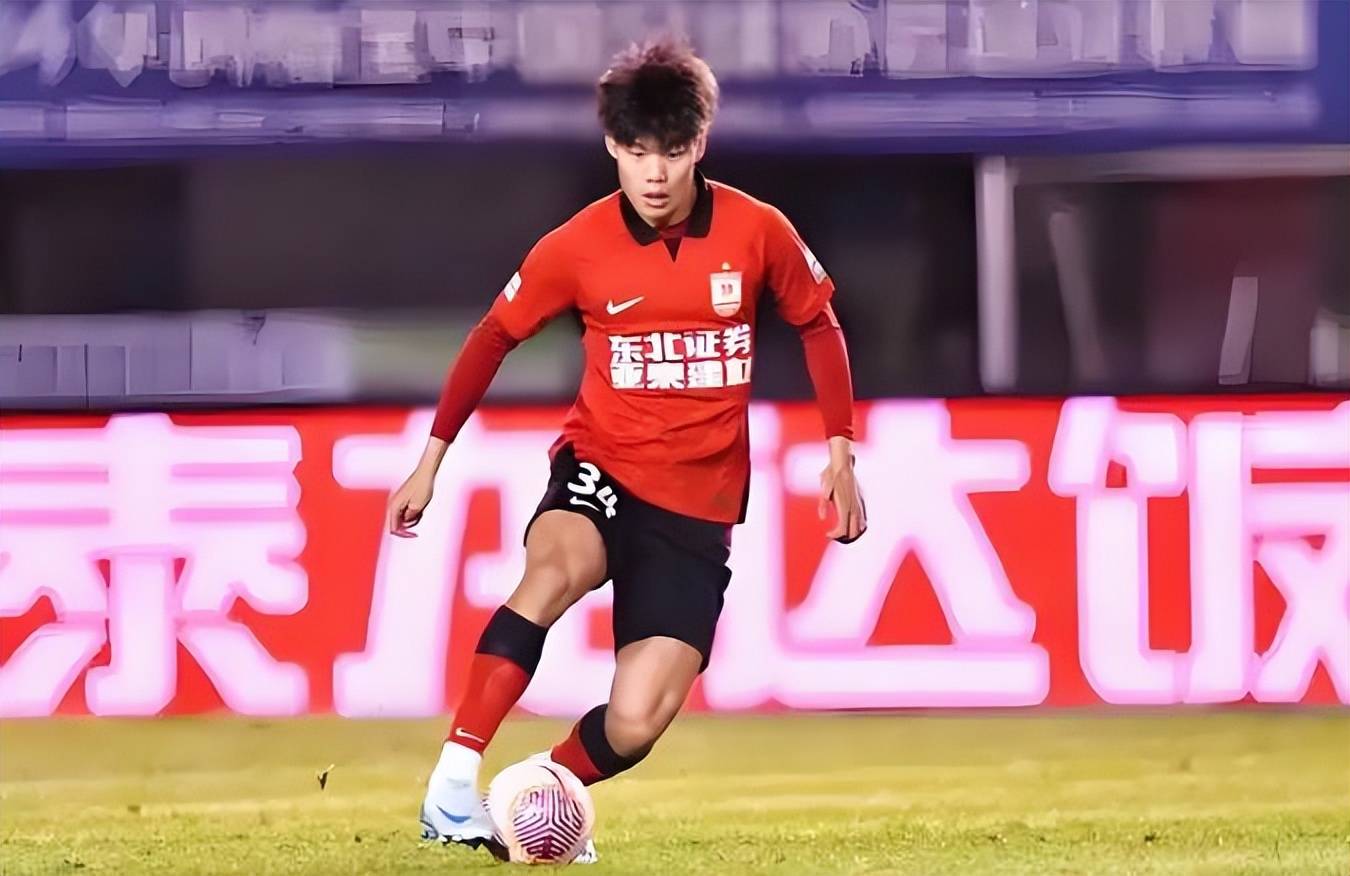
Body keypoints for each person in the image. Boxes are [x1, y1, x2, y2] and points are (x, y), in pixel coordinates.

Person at [387, 36, 866, 861]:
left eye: (671, 152)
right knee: (554, 570)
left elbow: (817, 324)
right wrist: (430, 460)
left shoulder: (758, 231)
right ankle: (453, 782)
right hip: (601, 469)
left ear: (699, 145)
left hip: (698, 509)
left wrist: (841, 452)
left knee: (638, 721)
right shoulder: (577, 245)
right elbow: (493, 336)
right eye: (637, 152)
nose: (654, 173)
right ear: (612, 146)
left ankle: (531, 791)